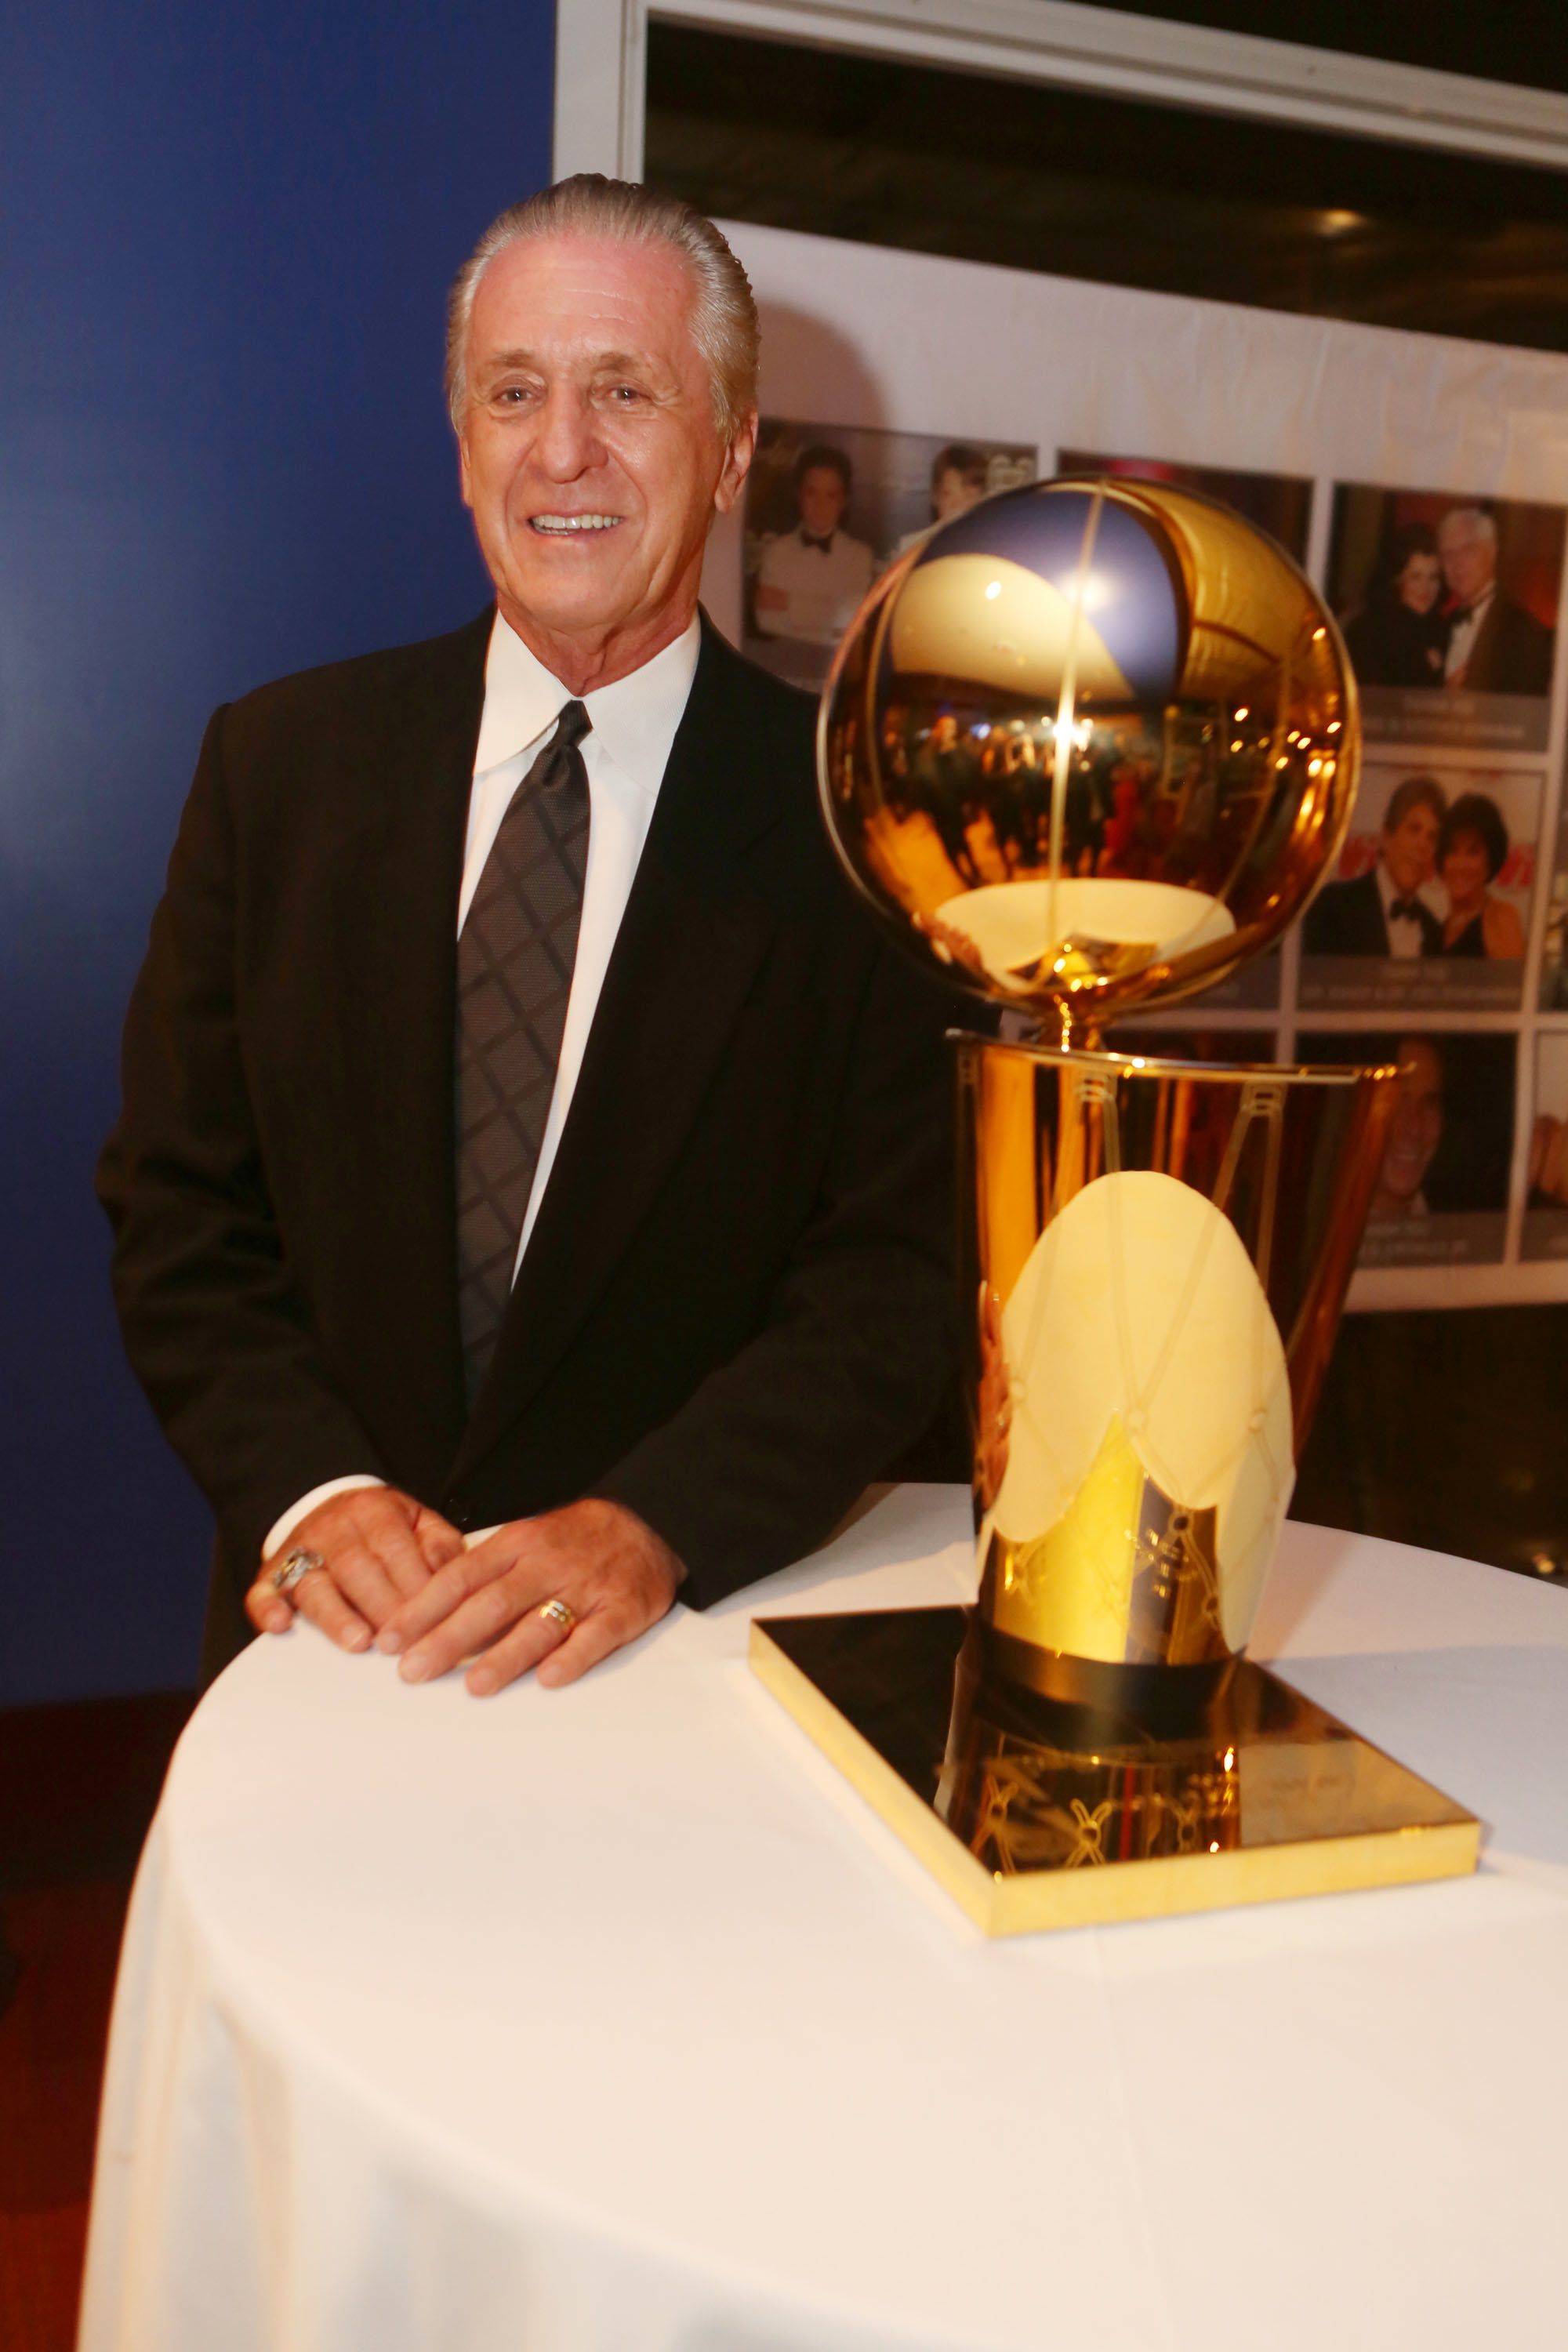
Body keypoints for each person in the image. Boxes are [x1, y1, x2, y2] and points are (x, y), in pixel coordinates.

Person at [97, 176, 956, 1696]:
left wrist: (658, 1523)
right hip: (329, 1646)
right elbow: (180, 1208)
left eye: (624, 390)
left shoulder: (867, 825)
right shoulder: (278, 769)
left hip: (669, 1664)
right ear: (462, 445)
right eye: (513, 392)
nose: (562, 450)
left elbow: (895, 1274)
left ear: (733, 449)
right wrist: (310, 1490)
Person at [1302, 775, 1446, 959]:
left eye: (1432, 837)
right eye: (1414, 829)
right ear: (1386, 837)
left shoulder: (1434, 932)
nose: (1422, 845)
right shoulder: (1334, 907)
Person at [752, 443, 875, 647]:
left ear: (844, 501)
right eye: (811, 493)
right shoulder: (775, 552)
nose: (820, 504)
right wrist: (832, 619)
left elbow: (854, 620)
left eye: (831, 495)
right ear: (798, 495)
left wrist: (788, 602)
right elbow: (766, 622)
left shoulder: (860, 556)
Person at [1436, 505, 1554, 696]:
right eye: (1448, 554)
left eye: (1468, 550)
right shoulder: (1438, 627)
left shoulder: (1526, 633)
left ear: (1492, 553)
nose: (1457, 564)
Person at [1341, 524, 1448, 689]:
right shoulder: (1368, 632)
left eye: (1433, 578)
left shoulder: (1442, 628)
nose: (1426, 588)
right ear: (1396, 580)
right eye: (1415, 577)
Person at [1436, 791, 1526, 960]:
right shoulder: (1439, 928)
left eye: (1473, 852)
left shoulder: (1500, 918)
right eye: (1452, 851)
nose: (1461, 864)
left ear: (1490, 861)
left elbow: (1511, 978)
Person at [1370, 1038, 1444, 1221]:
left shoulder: (1467, 1229)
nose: (1415, 1128)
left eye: (1429, 1104)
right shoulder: (1313, 1231)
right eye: (1397, 1103)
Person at [892, 442, 990, 557]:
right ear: (935, 497)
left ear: (984, 501)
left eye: (968, 496)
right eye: (947, 494)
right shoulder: (910, 547)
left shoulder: (992, 549)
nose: (957, 504)